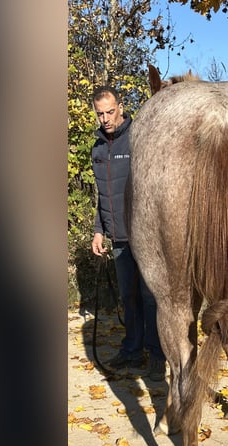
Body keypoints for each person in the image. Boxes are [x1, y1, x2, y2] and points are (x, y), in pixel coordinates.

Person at [90, 85, 166, 381]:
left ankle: (158, 354)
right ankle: (132, 349)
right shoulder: (98, 148)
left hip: (145, 236)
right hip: (118, 237)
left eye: (110, 111)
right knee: (128, 296)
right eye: (100, 114)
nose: (106, 118)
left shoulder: (138, 139)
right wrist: (99, 231)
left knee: (151, 298)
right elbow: (102, 194)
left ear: (120, 107)